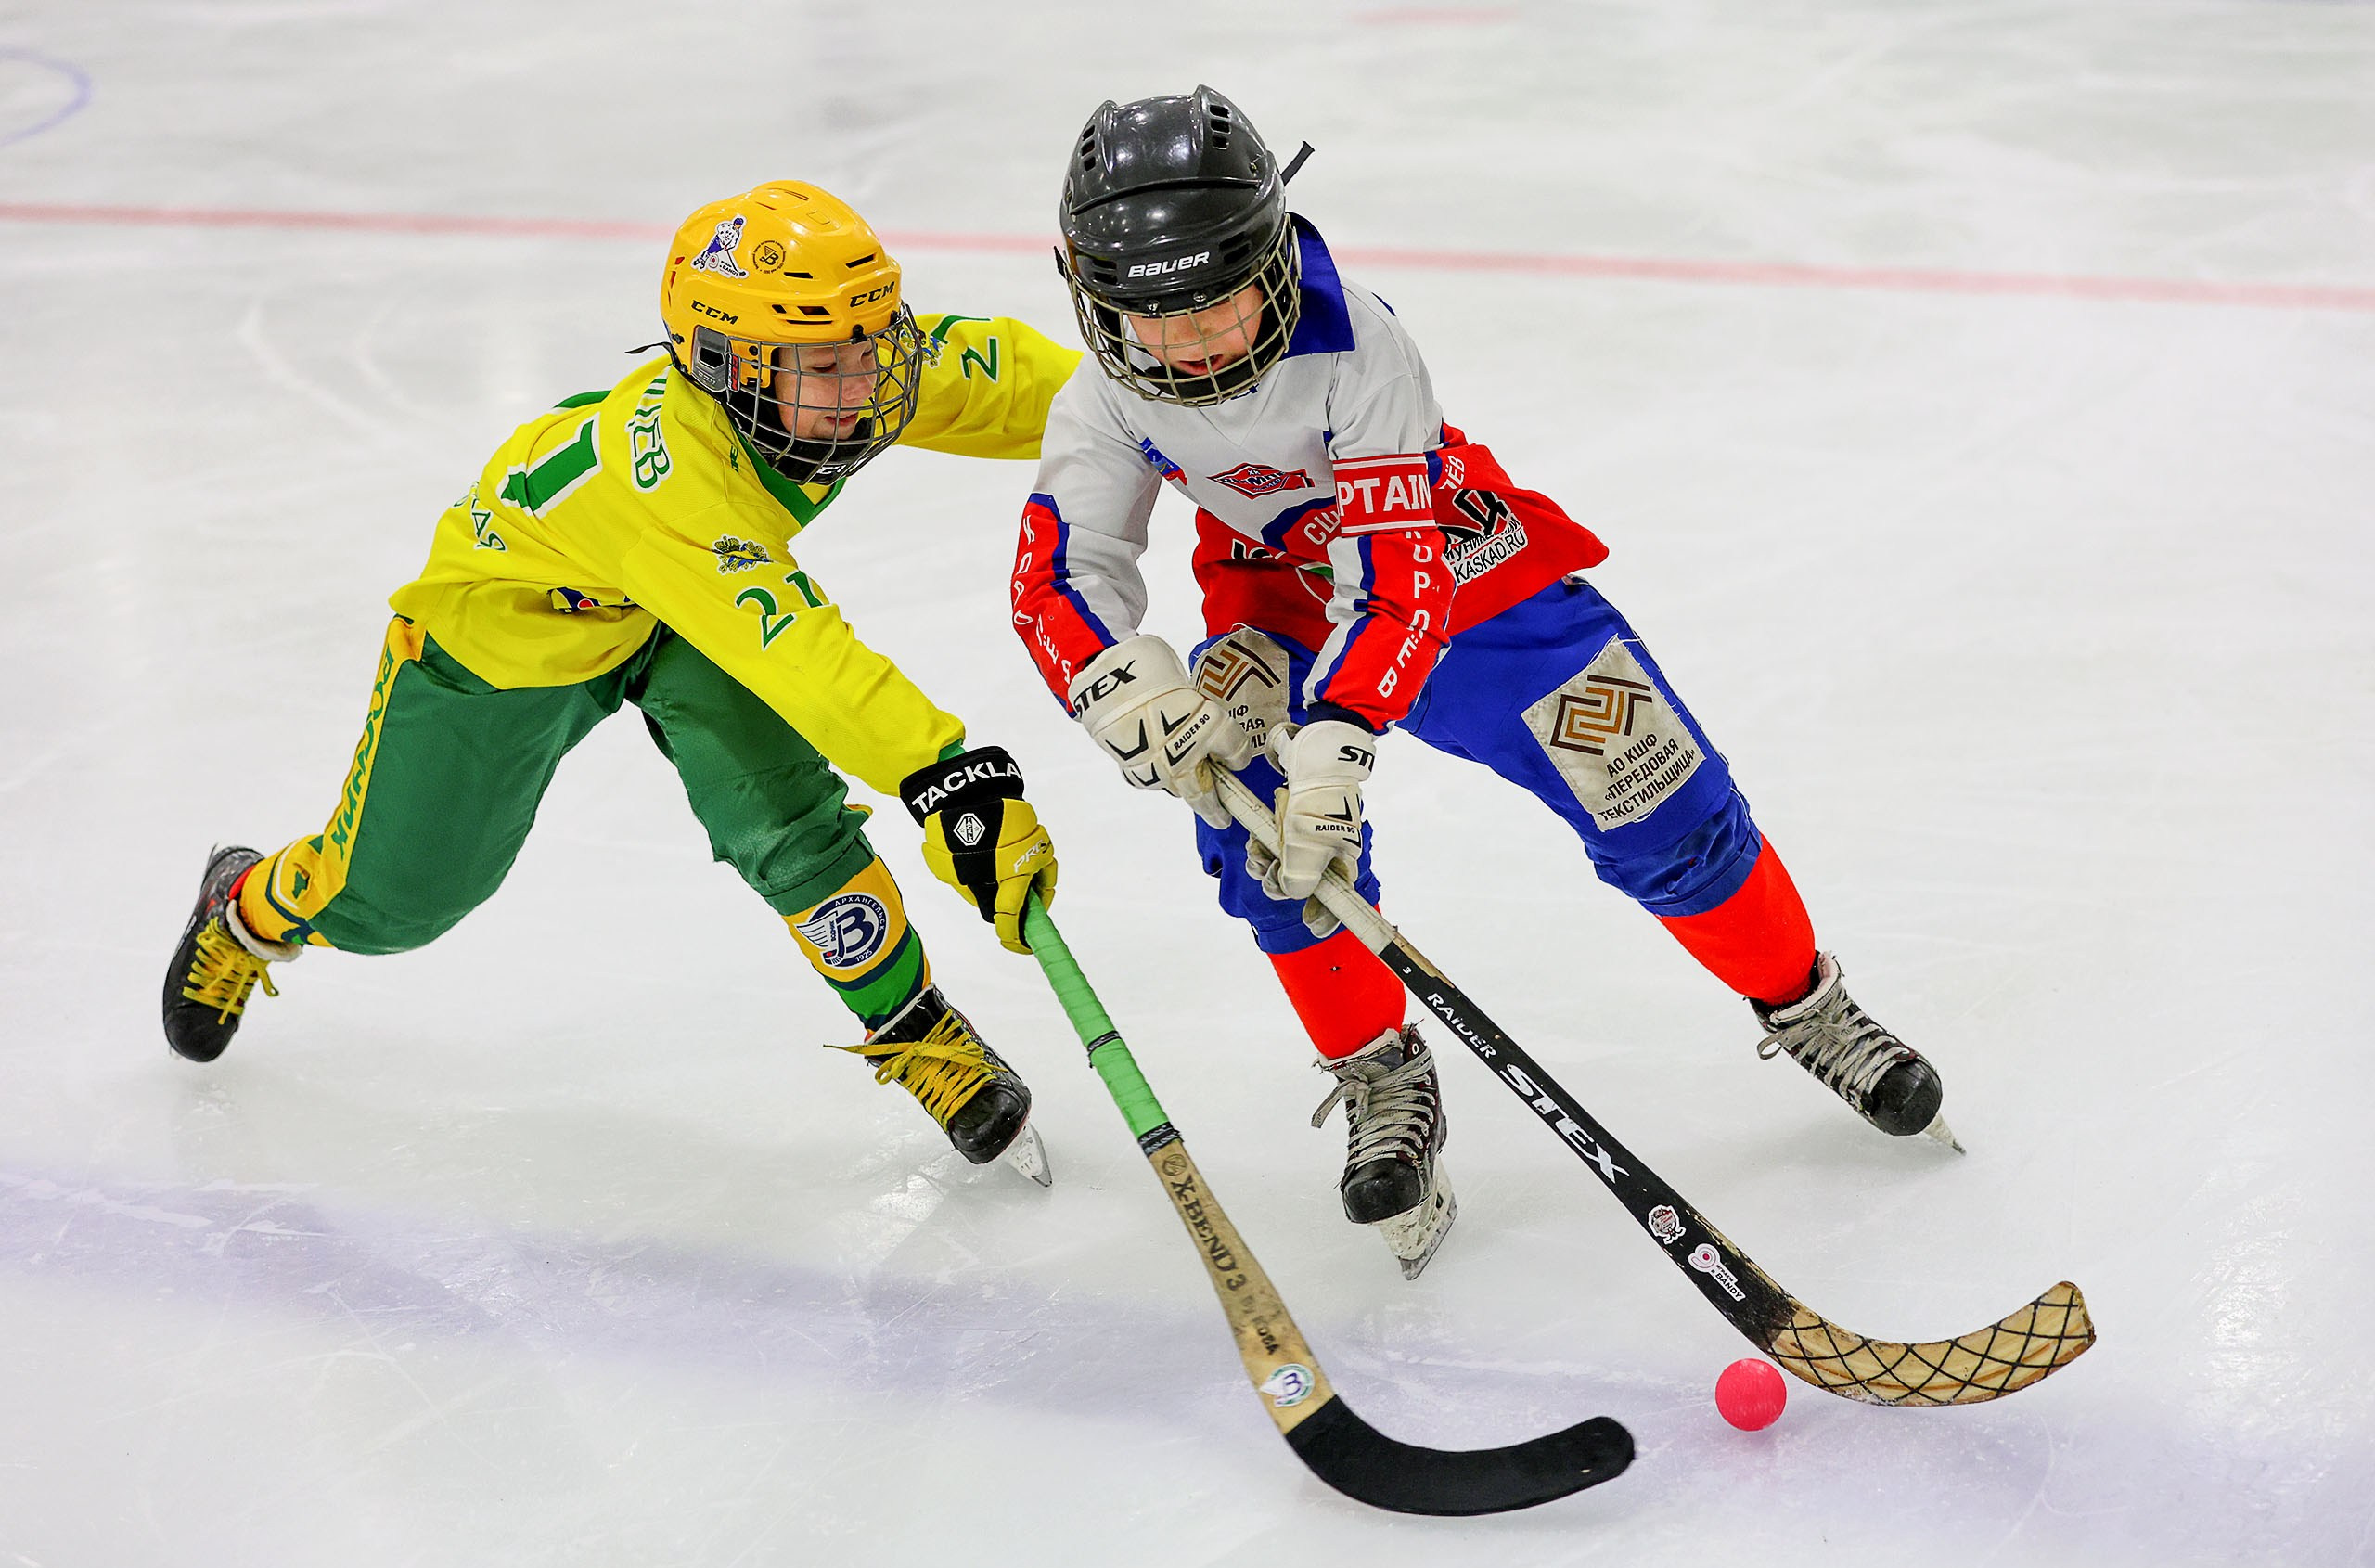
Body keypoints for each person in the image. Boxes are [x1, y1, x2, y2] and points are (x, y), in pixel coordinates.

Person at [1011, 88, 1952, 1275]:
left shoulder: (1361, 344)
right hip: (1274, 596)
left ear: (1271, 259)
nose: (1193, 340)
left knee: (1655, 794)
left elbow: (1396, 575)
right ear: (1095, 298)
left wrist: (1340, 736)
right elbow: (1061, 568)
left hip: (1459, 568)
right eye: (1153, 316)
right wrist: (1112, 682)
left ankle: (1806, 1004)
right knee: (1268, 846)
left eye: (1221, 299)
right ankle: (1379, 1073)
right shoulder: (1101, 393)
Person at [163, 182, 1075, 1182]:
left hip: (671, 606)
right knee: (397, 902)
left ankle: (917, 1033)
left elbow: (1018, 381)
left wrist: (1166, 403)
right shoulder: (668, 479)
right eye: (827, 363)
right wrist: (941, 775)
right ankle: (244, 906)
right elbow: (800, 651)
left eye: (874, 342)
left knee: (785, 815)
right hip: (503, 645)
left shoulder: (821, 367)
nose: (865, 383)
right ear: (725, 365)